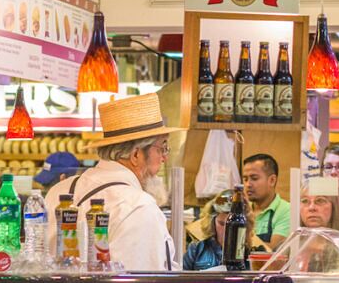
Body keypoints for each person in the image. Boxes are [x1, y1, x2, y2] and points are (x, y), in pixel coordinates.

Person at [43, 93, 178, 271]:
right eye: (162, 149)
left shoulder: (58, 191)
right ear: (136, 155)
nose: (164, 158)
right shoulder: (138, 208)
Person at [183, 190, 253, 270]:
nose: (226, 231)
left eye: (234, 226)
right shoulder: (197, 249)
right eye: (222, 224)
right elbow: (180, 280)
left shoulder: (252, 253)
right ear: (212, 221)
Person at [243, 154, 290, 252]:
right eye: (245, 179)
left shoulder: (287, 210)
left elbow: (272, 250)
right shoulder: (242, 211)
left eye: (254, 178)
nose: (248, 184)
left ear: (272, 180)